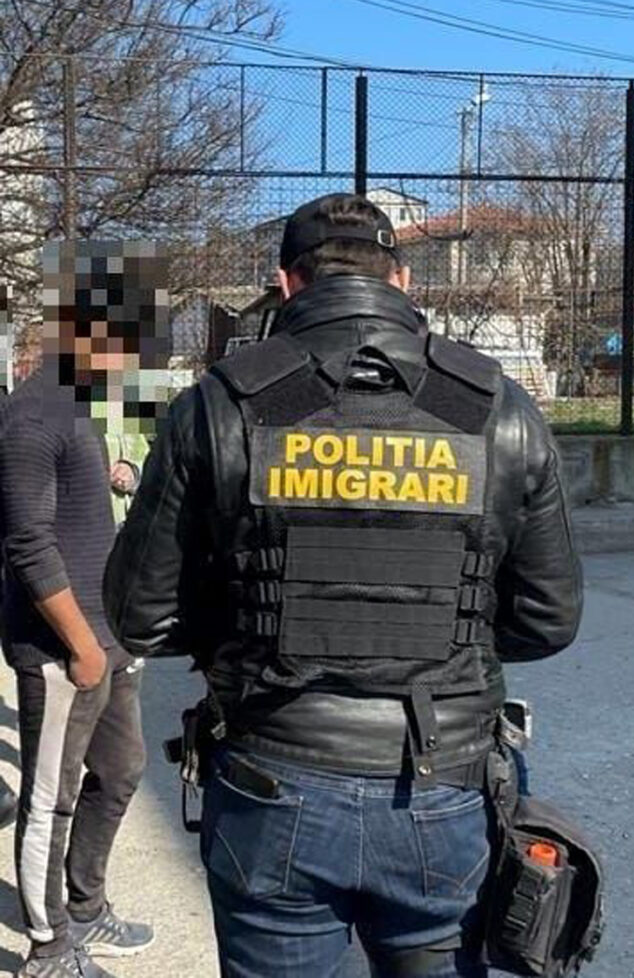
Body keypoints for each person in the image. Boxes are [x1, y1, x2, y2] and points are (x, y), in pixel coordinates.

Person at [104, 193, 582, 978]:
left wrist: (256, 624)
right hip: (444, 782)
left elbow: (139, 616)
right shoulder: (495, 405)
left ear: (286, 284)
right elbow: (547, 619)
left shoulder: (222, 402)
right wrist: (441, 634)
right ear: (402, 280)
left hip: (272, 777)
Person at [0, 244, 156, 978]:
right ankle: (49, 947)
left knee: (121, 770)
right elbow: (28, 545)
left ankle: (86, 906)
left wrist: (116, 636)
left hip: (108, 640)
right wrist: (82, 648)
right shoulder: (32, 415)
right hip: (63, 651)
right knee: (49, 801)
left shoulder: (81, 406)